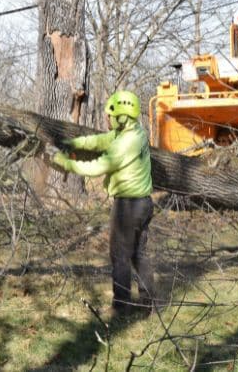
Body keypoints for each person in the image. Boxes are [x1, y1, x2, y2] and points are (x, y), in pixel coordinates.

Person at [51, 90, 154, 316]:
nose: (107, 118)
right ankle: (147, 304)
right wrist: (74, 144)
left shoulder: (128, 141)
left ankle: (121, 306)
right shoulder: (129, 132)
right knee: (138, 254)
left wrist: (69, 165)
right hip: (142, 203)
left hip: (129, 205)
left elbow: (100, 166)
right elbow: (99, 141)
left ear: (122, 116)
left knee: (120, 255)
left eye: (111, 115)